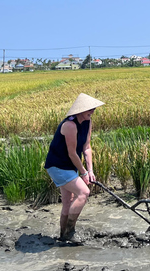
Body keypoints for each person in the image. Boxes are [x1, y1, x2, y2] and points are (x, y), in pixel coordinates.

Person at [44, 93, 105, 243]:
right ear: (80, 110)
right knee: (84, 192)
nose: (92, 112)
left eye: (93, 110)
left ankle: (62, 236)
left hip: (71, 166)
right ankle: (70, 233)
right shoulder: (69, 125)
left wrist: (90, 171)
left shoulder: (87, 122)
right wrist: (83, 173)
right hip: (57, 165)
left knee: (68, 201)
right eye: (89, 109)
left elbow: (87, 147)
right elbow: (72, 153)